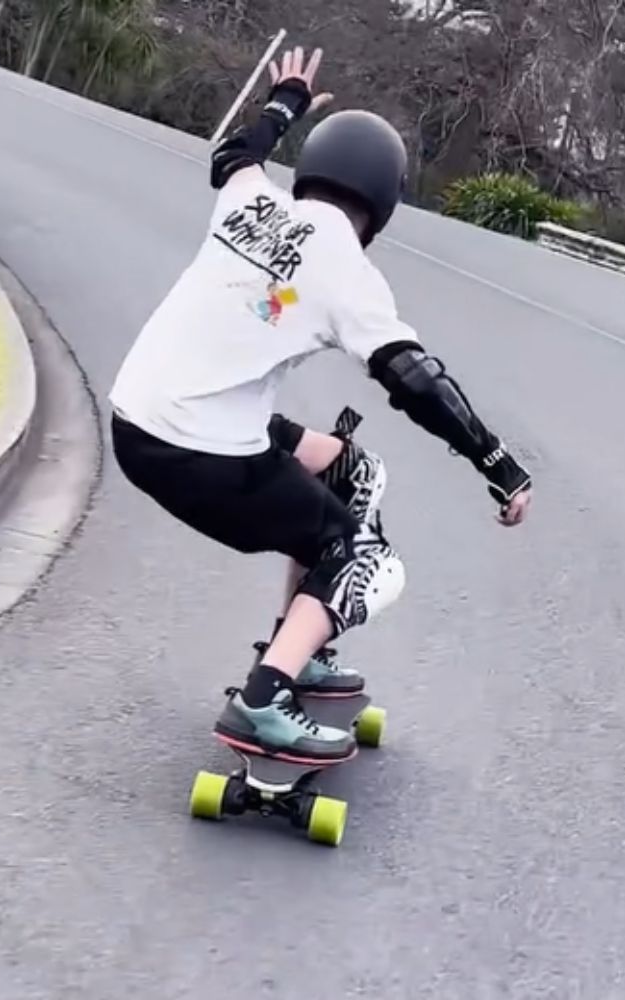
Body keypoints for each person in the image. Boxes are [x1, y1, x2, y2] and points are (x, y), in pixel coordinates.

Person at [108, 46, 532, 764]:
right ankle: (263, 697)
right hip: (198, 454)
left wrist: (287, 102)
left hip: (138, 421)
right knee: (359, 554)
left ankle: (295, 646)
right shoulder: (349, 272)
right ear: (384, 204)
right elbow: (417, 383)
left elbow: (232, 154)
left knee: (353, 473)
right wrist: (499, 464)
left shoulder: (250, 200)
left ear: (312, 171)